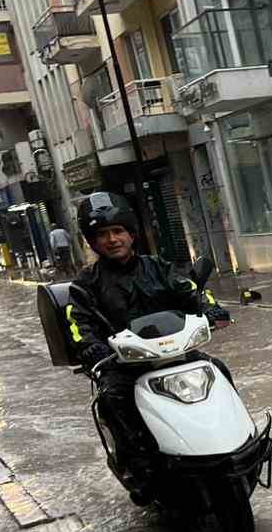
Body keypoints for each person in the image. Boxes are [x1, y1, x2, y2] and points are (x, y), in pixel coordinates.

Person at [65, 193, 209, 469]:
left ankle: (240, 439)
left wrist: (211, 310)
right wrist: (90, 345)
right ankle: (137, 462)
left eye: (118, 231)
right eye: (103, 234)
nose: (112, 240)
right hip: (123, 365)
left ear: (131, 234)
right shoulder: (85, 284)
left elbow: (189, 292)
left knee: (216, 368)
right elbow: (77, 323)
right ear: (93, 241)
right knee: (110, 398)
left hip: (174, 356)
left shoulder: (158, 267)